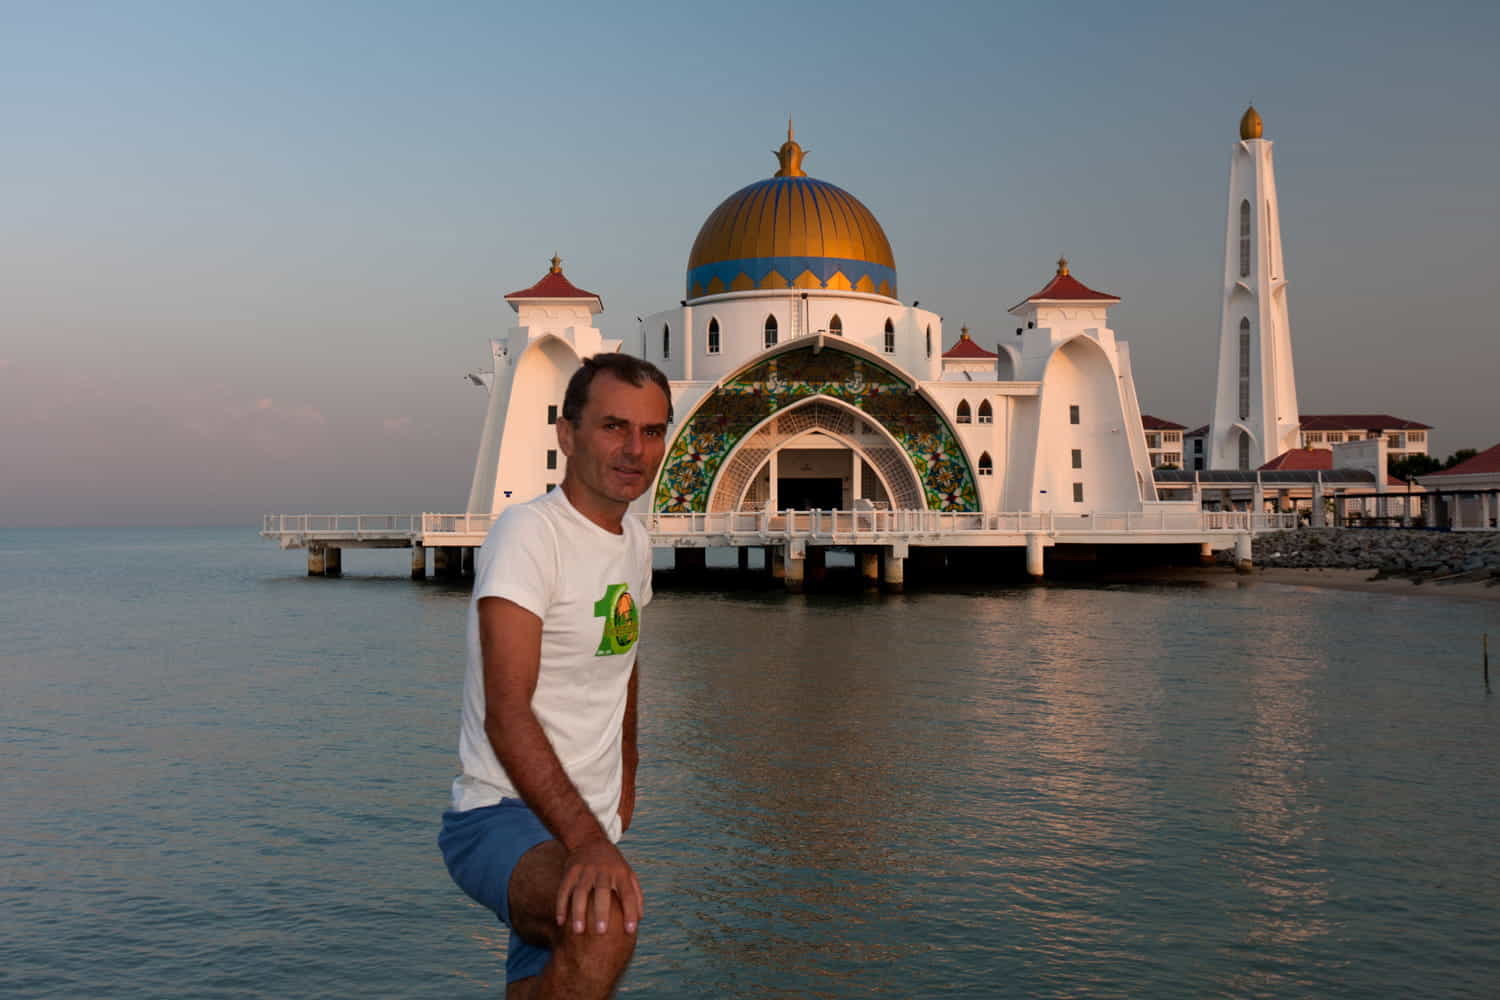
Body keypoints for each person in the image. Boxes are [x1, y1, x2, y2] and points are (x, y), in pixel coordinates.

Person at [439, 353, 672, 999]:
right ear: (567, 435)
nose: (634, 450)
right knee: (603, 923)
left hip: (583, 819)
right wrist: (590, 841)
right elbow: (507, 711)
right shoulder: (528, 536)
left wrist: (625, 780)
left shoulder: (634, 541)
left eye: (652, 432)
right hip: (502, 812)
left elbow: (621, 662)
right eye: (613, 427)